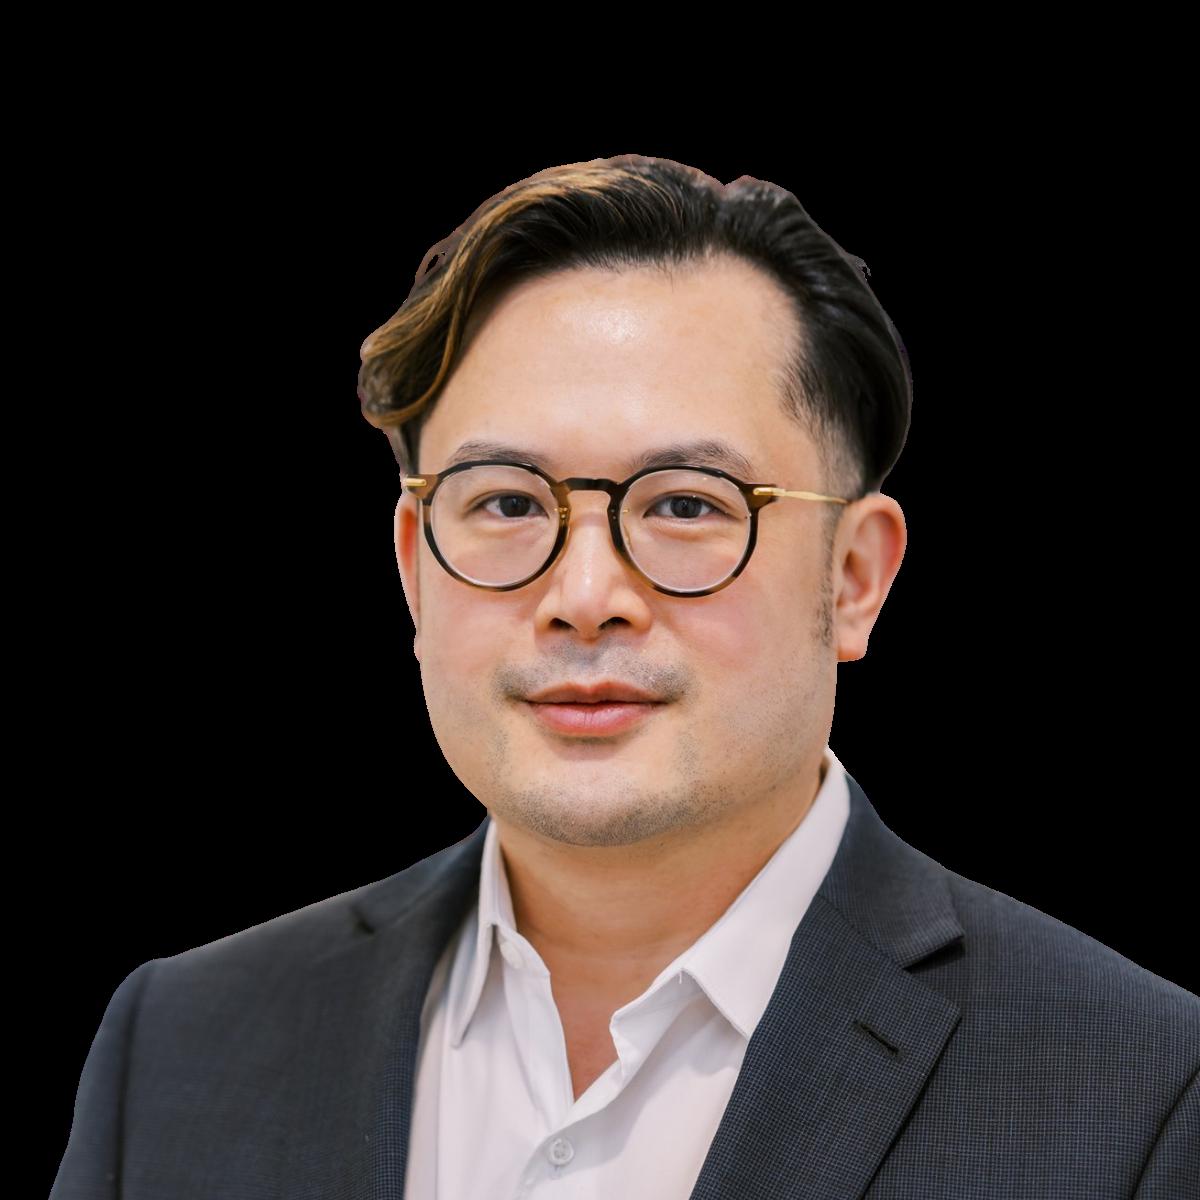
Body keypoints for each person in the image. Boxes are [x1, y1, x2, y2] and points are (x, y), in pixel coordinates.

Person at [52, 155, 1197, 1199]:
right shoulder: (181, 1044)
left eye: (688, 506)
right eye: (504, 503)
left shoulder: (1145, 1092)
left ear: (854, 577)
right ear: (413, 566)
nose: (584, 592)